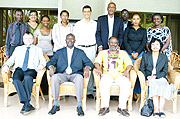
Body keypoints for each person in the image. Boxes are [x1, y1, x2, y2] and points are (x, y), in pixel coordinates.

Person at [47, 33, 94, 116]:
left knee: (80, 78)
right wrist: (51, 67)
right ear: (65, 41)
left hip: (75, 74)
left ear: (75, 41)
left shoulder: (80, 52)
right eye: (68, 39)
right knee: (54, 77)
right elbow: (51, 62)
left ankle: (79, 105)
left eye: (72, 39)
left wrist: (87, 68)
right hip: (62, 74)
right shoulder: (59, 52)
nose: (70, 40)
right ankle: (56, 104)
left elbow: (89, 63)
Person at [3, 31, 46, 115]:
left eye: (30, 38)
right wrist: (6, 65)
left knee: (27, 78)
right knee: (16, 80)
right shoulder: (18, 49)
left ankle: (26, 104)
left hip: (31, 70)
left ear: (33, 39)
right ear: (23, 39)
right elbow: (11, 60)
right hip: (19, 69)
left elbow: (43, 61)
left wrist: (41, 65)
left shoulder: (38, 49)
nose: (28, 40)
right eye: (26, 38)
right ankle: (27, 103)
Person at [94, 37, 132, 117]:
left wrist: (127, 71)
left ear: (118, 44)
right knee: (104, 82)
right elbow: (96, 62)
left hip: (120, 74)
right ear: (108, 43)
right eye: (111, 42)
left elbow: (129, 64)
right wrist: (98, 68)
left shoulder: (123, 53)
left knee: (127, 83)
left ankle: (121, 108)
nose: (113, 44)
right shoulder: (103, 53)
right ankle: (105, 107)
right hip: (107, 74)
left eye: (115, 43)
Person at [140, 38, 175, 118]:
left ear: (160, 46)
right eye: (153, 44)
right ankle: (156, 110)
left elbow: (165, 70)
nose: (155, 46)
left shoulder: (164, 57)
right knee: (155, 84)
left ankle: (161, 110)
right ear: (150, 46)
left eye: (157, 44)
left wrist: (156, 76)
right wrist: (146, 79)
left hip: (160, 77)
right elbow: (142, 69)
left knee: (163, 84)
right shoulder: (145, 56)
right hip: (149, 77)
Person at [73, 5, 97, 99]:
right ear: (82, 12)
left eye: (88, 11)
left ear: (91, 12)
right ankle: (78, 91)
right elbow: (75, 37)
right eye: (85, 11)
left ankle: (89, 91)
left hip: (91, 48)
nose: (86, 13)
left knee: (89, 68)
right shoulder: (78, 24)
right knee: (79, 69)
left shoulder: (95, 24)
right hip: (80, 48)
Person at [123, 13, 146, 96]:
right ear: (131, 20)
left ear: (140, 20)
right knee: (128, 72)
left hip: (139, 54)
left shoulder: (143, 30)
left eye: (137, 19)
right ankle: (128, 92)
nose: (135, 21)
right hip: (128, 53)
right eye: (134, 19)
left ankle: (136, 92)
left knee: (138, 72)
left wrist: (137, 53)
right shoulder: (128, 29)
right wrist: (131, 52)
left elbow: (144, 42)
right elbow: (125, 41)